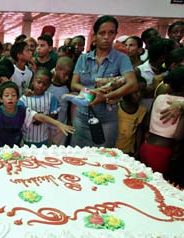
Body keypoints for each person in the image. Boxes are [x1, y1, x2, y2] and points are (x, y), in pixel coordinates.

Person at [70, 15, 137, 148]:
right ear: (95, 36)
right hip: (82, 116)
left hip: (107, 119)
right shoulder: (84, 58)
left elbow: (132, 84)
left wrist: (105, 97)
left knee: (103, 158)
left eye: (111, 33)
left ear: (115, 35)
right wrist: (91, 92)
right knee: (78, 157)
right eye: (102, 33)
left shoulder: (121, 59)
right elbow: (74, 84)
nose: (106, 37)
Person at [139, 65, 184, 175]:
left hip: (147, 146)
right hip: (162, 152)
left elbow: (147, 122)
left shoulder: (160, 97)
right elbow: (178, 136)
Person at [20, 69, 59, 147]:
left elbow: (55, 115)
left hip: (43, 138)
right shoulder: (24, 98)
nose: (41, 86)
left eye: (45, 84)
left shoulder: (51, 97)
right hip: (26, 138)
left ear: (48, 86)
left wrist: (42, 118)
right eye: (39, 82)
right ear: (34, 81)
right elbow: (18, 115)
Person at [115, 75, 147, 156]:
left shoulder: (142, 110)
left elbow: (139, 130)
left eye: (142, 92)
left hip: (128, 150)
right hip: (113, 148)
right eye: (135, 92)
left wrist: (137, 149)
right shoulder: (116, 107)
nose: (139, 94)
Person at [48, 56, 74, 145]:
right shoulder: (47, 86)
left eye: (69, 75)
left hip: (62, 127)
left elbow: (70, 107)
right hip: (47, 126)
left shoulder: (68, 87)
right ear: (56, 69)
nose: (67, 78)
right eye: (64, 74)